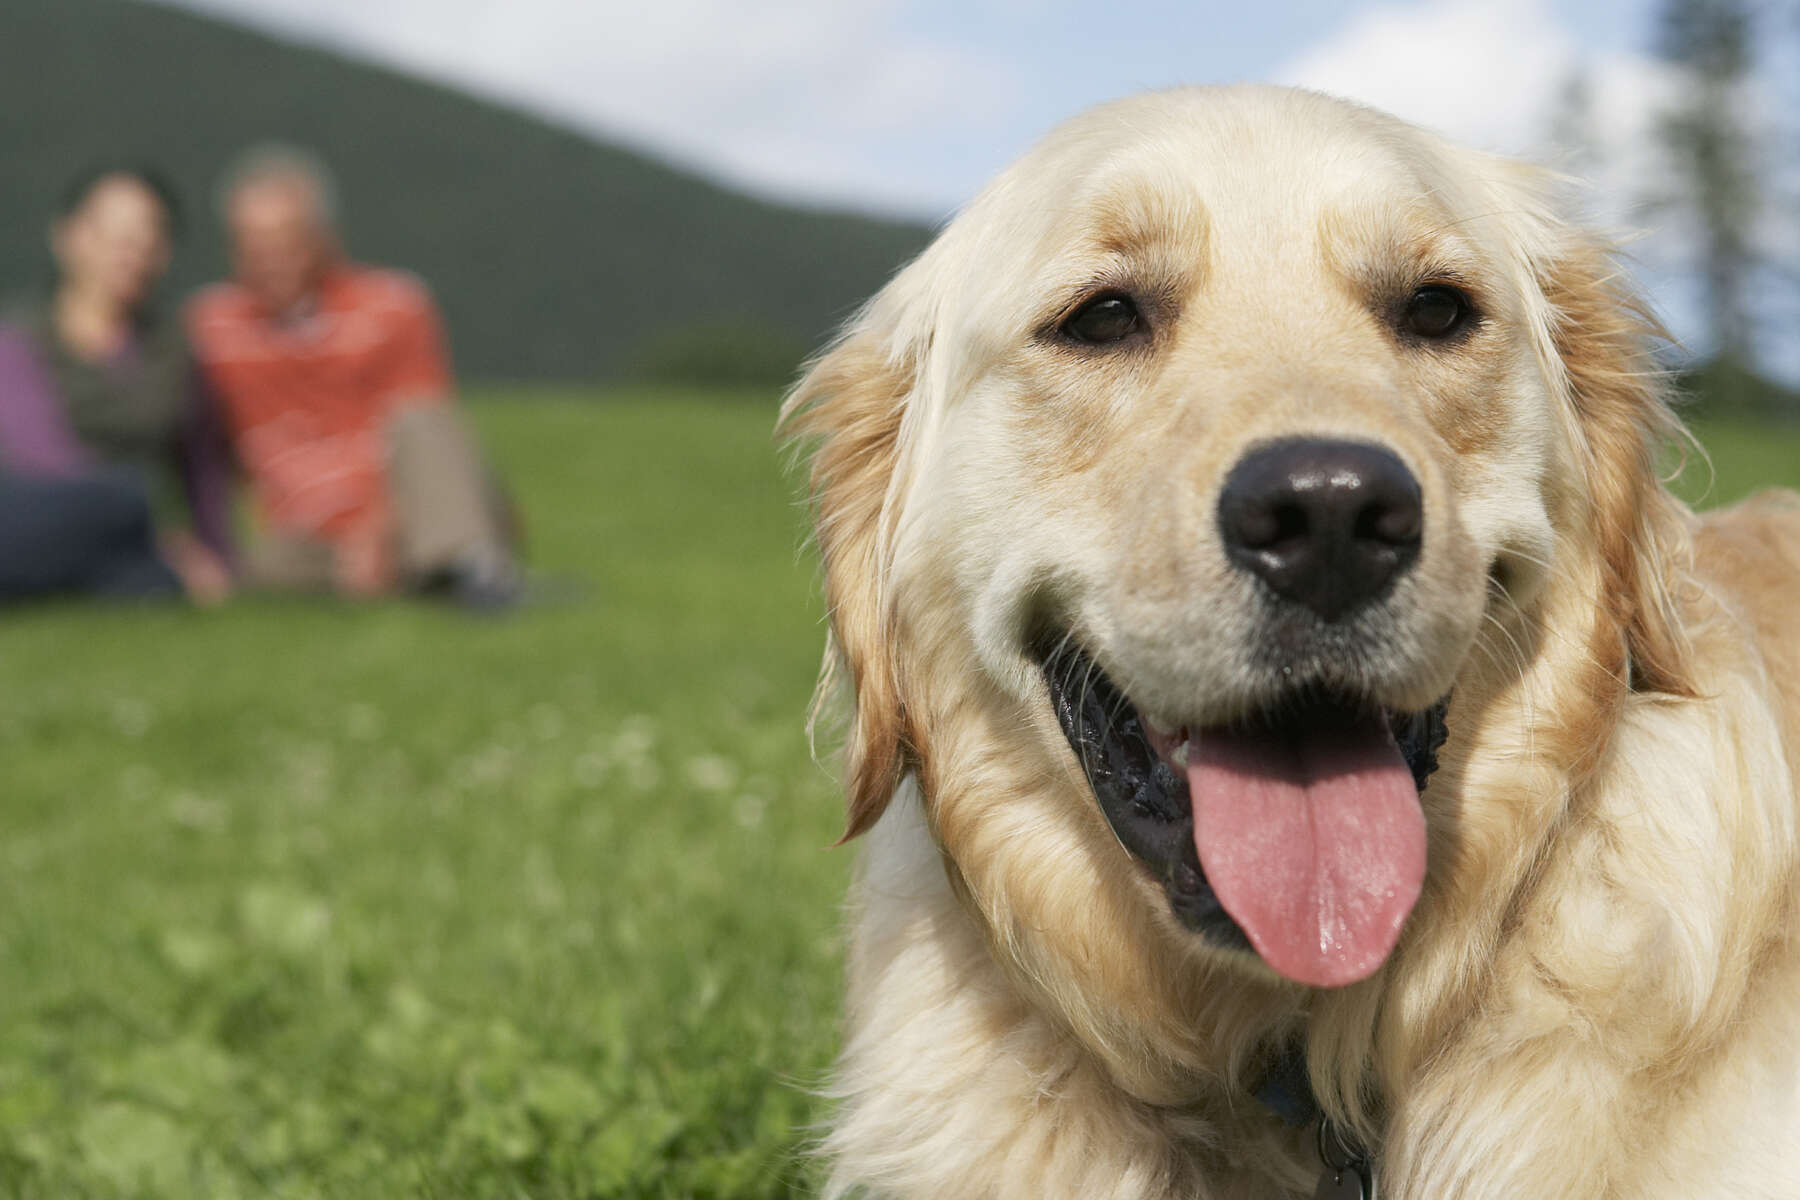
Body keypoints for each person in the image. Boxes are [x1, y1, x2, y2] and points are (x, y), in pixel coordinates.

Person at [186, 145, 518, 609]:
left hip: (405, 507)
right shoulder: (210, 327)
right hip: (306, 535)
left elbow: (425, 433)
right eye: (252, 244)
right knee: (260, 565)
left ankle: (470, 568)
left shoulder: (394, 304)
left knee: (423, 420)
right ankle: (440, 571)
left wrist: (380, 529)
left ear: (324, 238)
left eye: (287, 240)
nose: (270, 258)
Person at [0, 166, 235, 605]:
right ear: (67, 237)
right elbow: (39, 454)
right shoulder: (17, 342)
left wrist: (218, 555)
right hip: (38, 510)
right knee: (122, 506)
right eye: (116, 237)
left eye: (148, 239)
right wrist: (144, 519)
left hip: (128, 541)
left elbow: (202, 465)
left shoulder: (175, 349)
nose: (132, 253)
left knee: (149, 583)